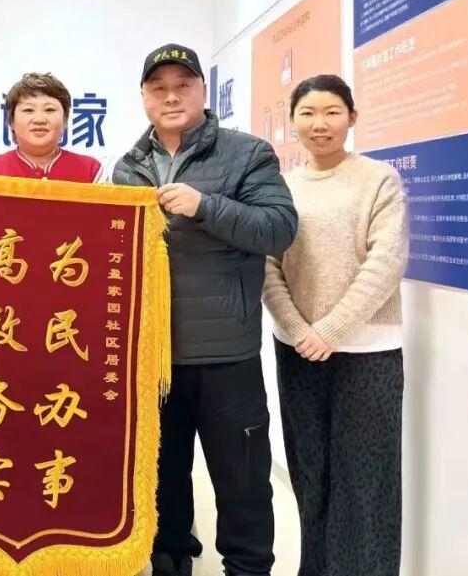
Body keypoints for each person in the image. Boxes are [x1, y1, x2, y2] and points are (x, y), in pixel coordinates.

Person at [112, 43, 298, 576]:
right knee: (160, 487)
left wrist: (205, 205)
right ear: (144, 97)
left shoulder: (247, 153)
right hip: (153, 360)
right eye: (159, 88)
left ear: (202, 90)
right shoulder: (127, 167)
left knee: (243, 487)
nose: (171, 97)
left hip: (226, 357)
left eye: (183, 86)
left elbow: (279, 229)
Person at [262, 74, 407, 576]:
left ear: (352, 117)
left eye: (331, 112)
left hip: (367, 353)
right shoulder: (282, 188)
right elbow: (268, 267)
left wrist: (331, 331)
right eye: (308, 113)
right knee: (311, 476)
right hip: (297, 349)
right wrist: (298, 328)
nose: (319, 124)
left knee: (367, 484)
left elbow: (386, 262)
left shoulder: (378, 180)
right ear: (292, 122)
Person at [0, 71, 104, 182]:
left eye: (49, 110)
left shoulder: (92, 173)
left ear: (65, 120)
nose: (39, 120)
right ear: (11, 121)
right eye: (28, 110)